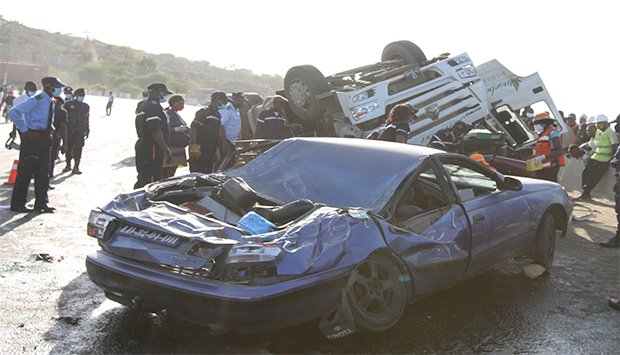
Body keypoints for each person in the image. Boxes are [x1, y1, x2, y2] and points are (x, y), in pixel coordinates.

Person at [7, 76, 66, 213]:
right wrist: (25, 130)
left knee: (42, 173)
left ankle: (41, 203)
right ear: (49, 86)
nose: (59, 90)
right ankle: (18, 204)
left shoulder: (50, 101)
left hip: (45, 138)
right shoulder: (38, 99)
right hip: (34, 139)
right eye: (56, 87)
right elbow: (13, 112)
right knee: (25, 172)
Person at [134, 83, 173, 188]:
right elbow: (155, 129)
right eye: (164, 93)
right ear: (157, 92)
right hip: (152, 147)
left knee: (143, 177)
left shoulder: (144, 105)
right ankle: (144, 203)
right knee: (151, 180)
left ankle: (136, 201)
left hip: (145, 145)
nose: (165, 96)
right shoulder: (153, 107)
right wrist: (166, 149)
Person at [578, 114, 619, 199]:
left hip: (604, 159)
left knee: (594, 176)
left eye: (599, 123)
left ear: (604, 123)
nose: (597, 125)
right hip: (596, 156)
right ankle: (585, 191)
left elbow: (615, 146)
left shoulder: (610, 132)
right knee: (586, 173)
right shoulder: (599, 132)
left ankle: (586, 193)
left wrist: (614, 158)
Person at [62, 88, 90, 174]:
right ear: (75, 96)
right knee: (69, 148)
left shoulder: (86, 106)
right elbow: (63, 118)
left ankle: (76, 166)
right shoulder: (68, 104)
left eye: (83, 95)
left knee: (78, 149)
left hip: (80, 131)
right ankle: (68, 165)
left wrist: (87, 128)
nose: (81, 97)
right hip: (70, 130)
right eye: (80, 95)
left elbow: (87, 118)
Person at [530, 114, 565, 182]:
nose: (535, 126)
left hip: (551, 166)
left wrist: (543, 157)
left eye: (536, 124)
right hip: (542, 166)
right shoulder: (542, 134)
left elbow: (559, 151)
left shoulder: (553, 133)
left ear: (544, 124)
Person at [188, 103, 221, 174]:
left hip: (211, 148)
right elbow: (193, 128)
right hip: (201, 147)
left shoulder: (217, 114)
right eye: (222, 101)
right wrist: (194, 145)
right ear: (215, 100)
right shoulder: (204, 112)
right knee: (197, 172)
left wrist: (216, 148)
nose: (223, 104)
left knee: (208, 172)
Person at [162, 95, 190, 178]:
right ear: (174, 104)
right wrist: (177, 129)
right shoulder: (168, 113)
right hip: (172, 146)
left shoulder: (176, 114)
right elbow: (166, 128)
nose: (182, 106)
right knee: (168, 169)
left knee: (172, 170)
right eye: (181, 103)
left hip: (178, 146)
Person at [212, 91, 240, 168]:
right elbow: (221, 124)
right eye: (241, 101)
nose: (225, 102)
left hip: (232, 141)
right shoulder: (228, 110)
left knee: (231, 163)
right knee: (223, 163)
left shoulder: (235, 110)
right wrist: (224, 142)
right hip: (227, 141)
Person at [48, 96, 67, 181]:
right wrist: (65, 143)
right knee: (52, 158)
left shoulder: (45, 109)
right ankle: (49, 176)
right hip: (55, 137)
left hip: (42, 137)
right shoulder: (63, 112)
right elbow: (63, 128)